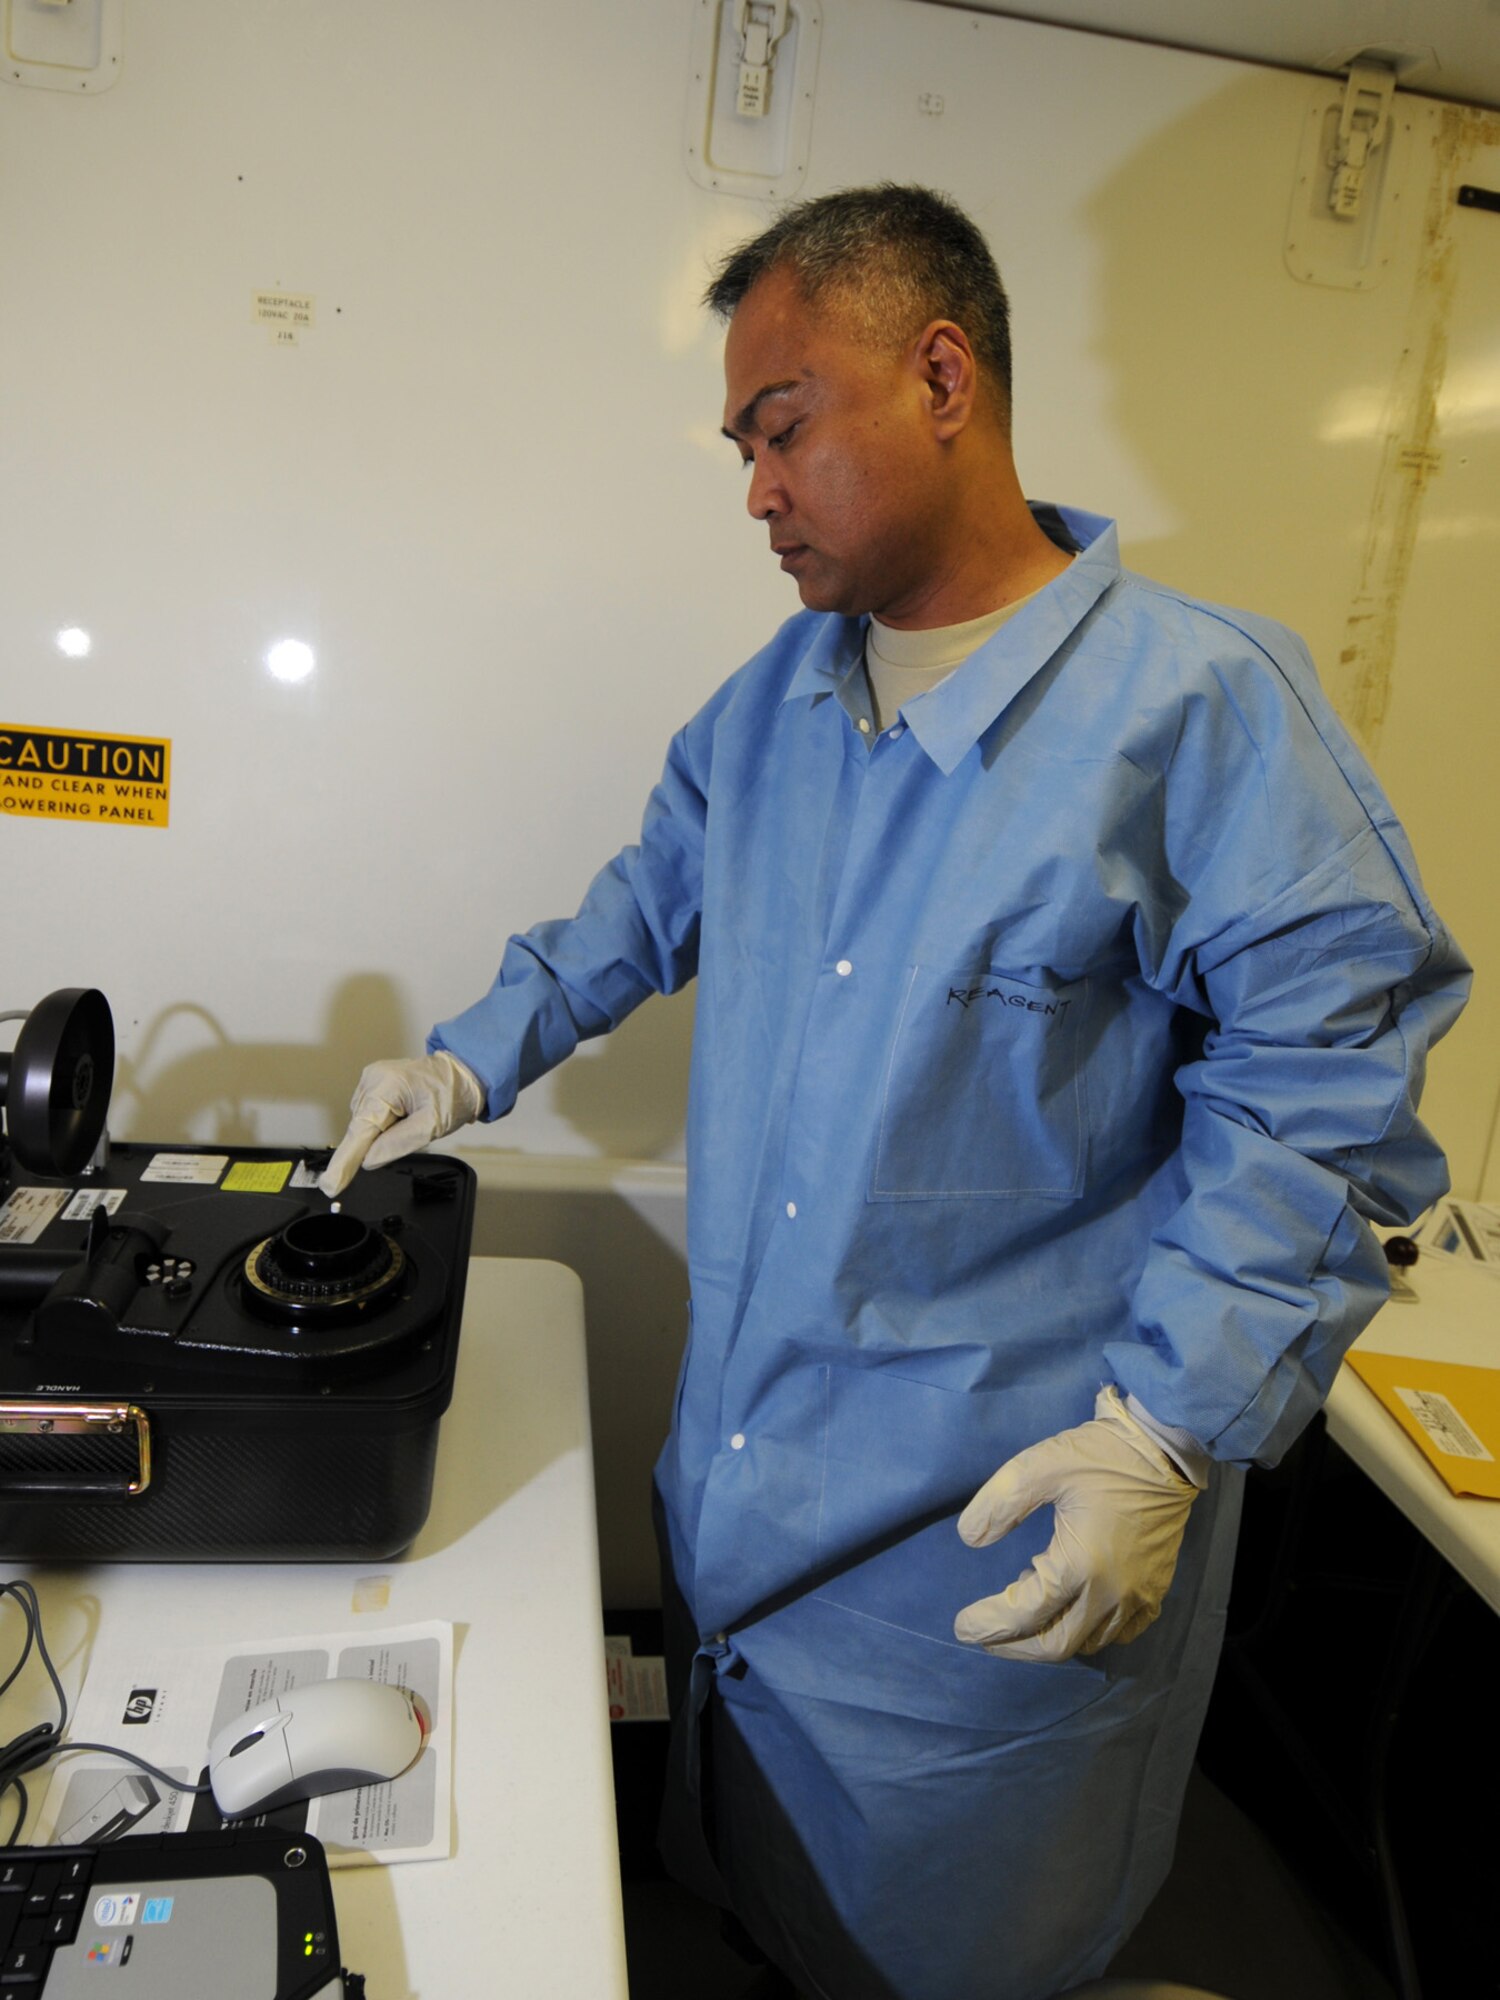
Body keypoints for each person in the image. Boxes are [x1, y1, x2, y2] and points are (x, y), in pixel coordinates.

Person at [321, 185, 1468, 2000]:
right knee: (767, 1913)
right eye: (741, 447)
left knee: (955, 1953)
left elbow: (1329, 1074)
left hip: (988, 1553)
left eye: (783, 427)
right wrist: (475, 1050)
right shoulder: (781, 697)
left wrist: (1168, 1429)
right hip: (746, 1498)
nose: (757, 489)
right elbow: (649, 896)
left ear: (942, 377)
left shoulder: (1200, 711)